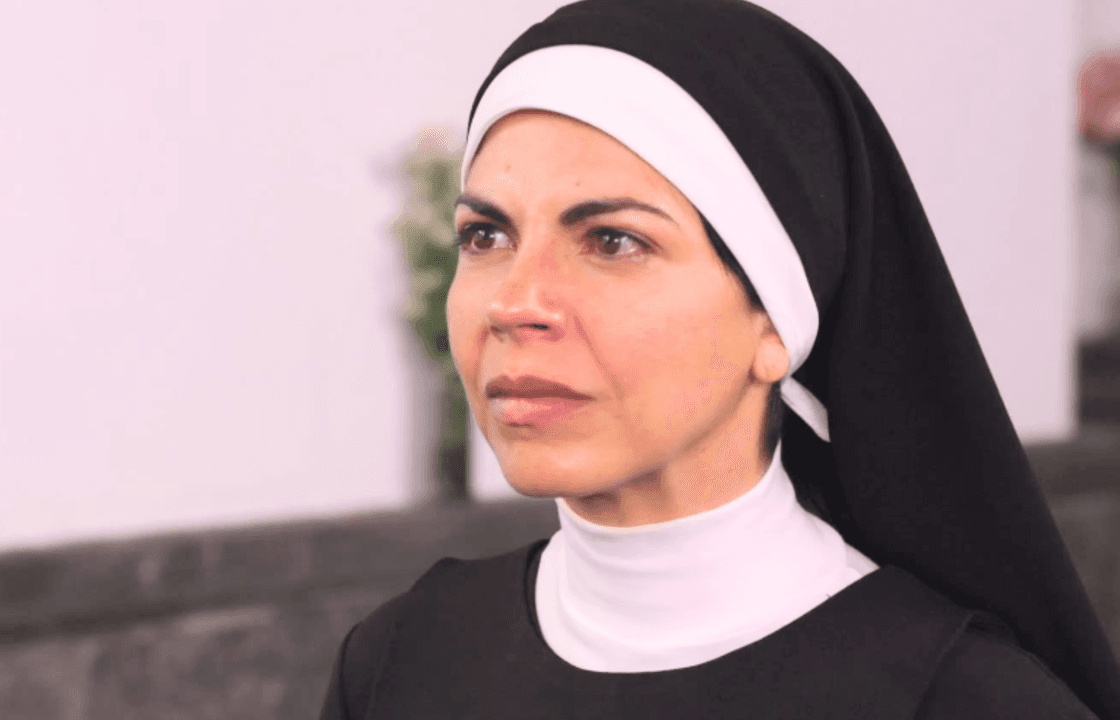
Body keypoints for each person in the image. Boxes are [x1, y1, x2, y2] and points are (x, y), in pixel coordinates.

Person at [320, 0, 1120, 717]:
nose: (515, 303)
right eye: (485, 235)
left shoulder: (964, 700)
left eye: (613, 241)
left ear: (777, 323)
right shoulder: (398, 663)